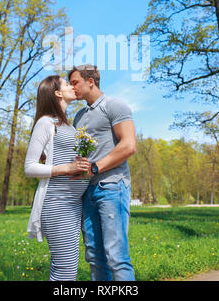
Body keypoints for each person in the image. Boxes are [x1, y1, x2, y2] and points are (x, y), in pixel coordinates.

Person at [68, 64, 136, 281]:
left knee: (116, 256)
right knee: (94, 256)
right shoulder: (78, 116)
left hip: (112, 186)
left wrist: (95, 168)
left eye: (75, 82)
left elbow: (128, 146)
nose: (72, 87)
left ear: (91, 81)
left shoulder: (114, 105)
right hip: (87, 192)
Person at [24, 75, 90, 281]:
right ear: (57, 93)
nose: (73, 86)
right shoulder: (46, 122)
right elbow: (30, 167)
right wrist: (68, 168)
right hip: (57, 203)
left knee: (66, 267)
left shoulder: (69, 126)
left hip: (74, 204)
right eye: (67, 84)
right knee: (65, 270)